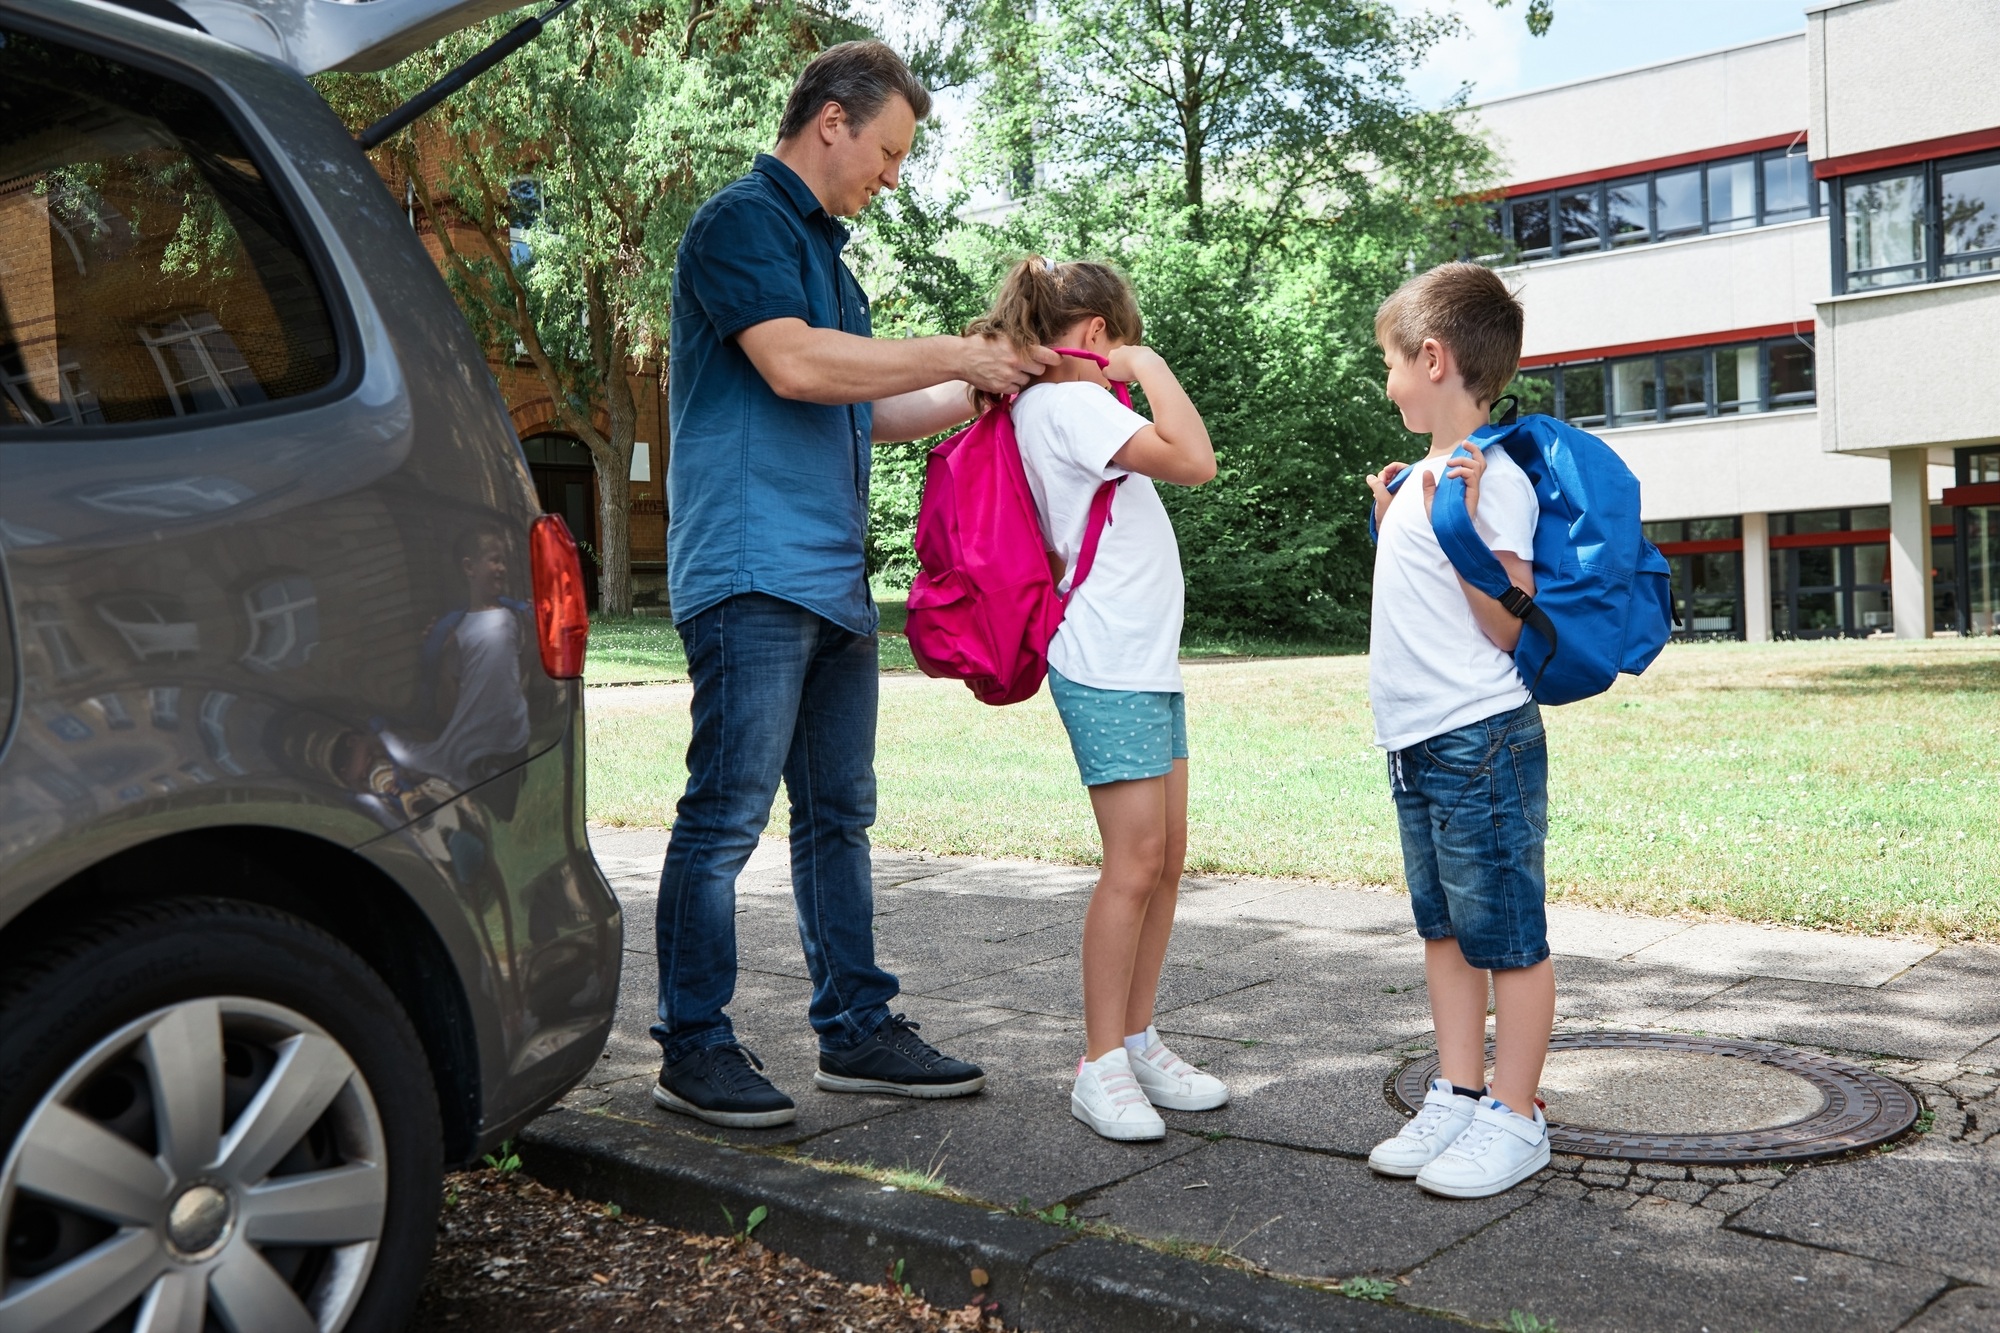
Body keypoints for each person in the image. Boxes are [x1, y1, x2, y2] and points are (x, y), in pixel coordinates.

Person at [654, 41, 1059, 1128]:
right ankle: (692, 1044)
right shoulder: (740, 222)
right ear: (831, 120)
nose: (892, 176)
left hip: (831, 578)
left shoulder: (834, 267)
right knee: (725, 815)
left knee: (838, 816)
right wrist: (955, 352)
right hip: (750, 569)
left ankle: (855, 1028)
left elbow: (869, 408)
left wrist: (986, 383)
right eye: (888, 151)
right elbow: (794, 365)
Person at [966, 257, 1227, 1142]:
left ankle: (1137, 1039)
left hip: (1140, 661)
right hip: (1109, 661)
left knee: (1164, 856)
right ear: (1097, 336)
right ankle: (1100, 1062)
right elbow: (1195, 459)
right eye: (1124, 342)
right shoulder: (1073, 404)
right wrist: (1148, 367)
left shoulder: (1060, 409)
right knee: (1135, 861)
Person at [1361, 263, 1554, 1198]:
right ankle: (1460, 1092)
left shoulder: (1490, 478)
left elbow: (1509, 624)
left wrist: (1461, 526)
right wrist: (1399, 516)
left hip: (1481, 740)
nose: (1387, 382)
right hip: (1420, 744)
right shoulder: (1428, 478)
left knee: (1506, 935)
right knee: (1443, 929)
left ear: (1432, 359)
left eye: (1390, 364)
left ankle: (1516, 1114)